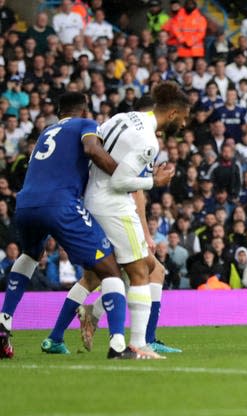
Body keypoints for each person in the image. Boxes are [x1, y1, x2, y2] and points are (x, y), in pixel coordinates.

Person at [41, 82, 188, 357]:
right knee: (142, 271)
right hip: (114, 207)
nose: (183, 124)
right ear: (172, 114)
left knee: (100, 274)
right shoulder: (148, 140)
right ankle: (138, 343)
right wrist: (153, 180)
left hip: (90, 199)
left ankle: (73, 327)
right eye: (183, 118)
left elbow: (94, 149)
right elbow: (122, 181)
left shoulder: (121, 117)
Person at [0, 92, 131, 359]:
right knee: (110, 270)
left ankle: (5, 317)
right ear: (83, 109)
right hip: (60, 204)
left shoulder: (47, 131)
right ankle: (118, 344)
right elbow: (92, 150)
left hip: (25, 203)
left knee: (30, 254)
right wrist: (124, 175)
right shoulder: (86, 125)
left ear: (60, 111)